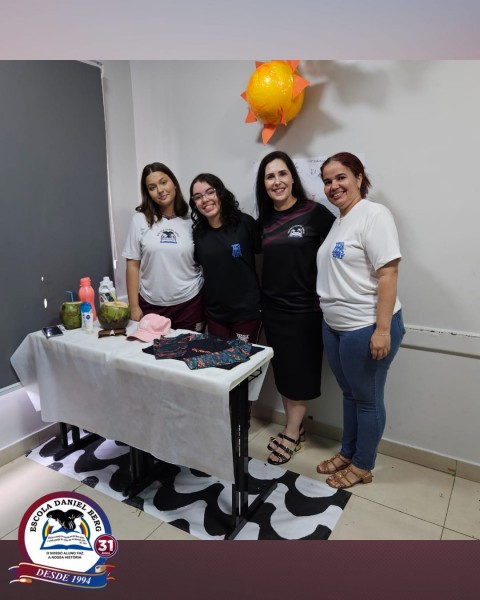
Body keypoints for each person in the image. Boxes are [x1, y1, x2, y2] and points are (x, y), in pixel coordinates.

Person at [316, 152, 405, 489]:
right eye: (327, 181)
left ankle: (363, 465)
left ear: (358, 177)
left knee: (367, 399)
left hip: (365, 327)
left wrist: (382, 330)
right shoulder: (340, 221)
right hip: (335, 326)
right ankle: (348, 452)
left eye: (341, 177)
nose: (333, 186)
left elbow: (388, 273)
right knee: (350, 395)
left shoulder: (374, 214)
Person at [255, 151, 336, 465]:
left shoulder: (314, 213)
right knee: (285, 374)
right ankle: (296, 427)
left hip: (306, 311)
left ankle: (290, 432)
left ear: (292, 178)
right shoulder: (264, 221)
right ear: (264, 184)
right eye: (270, 176)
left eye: (282, 174)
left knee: (300, 374)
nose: (277, 181)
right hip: (273, 311)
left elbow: (340, 250)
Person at [122, 162, 204, 331]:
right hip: (151, 304)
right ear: (148, 193)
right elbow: (132, 265)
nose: (160, 190)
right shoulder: (139, 220)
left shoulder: (193, 220)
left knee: (189, 348)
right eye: (152, 187)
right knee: (150, 348)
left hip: (190, 303)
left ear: (174, 183)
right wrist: (134, 306)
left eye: (163, 182)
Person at [189, 173, 262, 343]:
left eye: (210, 192)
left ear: (220, 193)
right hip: (215, 315)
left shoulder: (245, 223)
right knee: (218, 359)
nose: (205, 199)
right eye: (198, 197)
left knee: (241, 359)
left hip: (246, 313)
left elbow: (262, 256)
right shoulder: (198, 233)